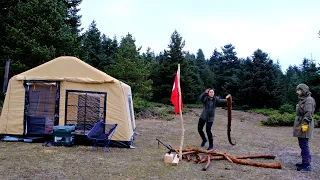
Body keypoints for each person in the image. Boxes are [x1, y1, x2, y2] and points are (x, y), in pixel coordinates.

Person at [293, 83, 316, 172]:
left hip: (305, 124)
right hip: (301, 123)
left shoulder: (309, 100)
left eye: (298, 90)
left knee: (304, 144)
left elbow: (308, 113)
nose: (297, 92)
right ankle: (304, 162)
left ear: (303, 90)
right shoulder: (303, 99)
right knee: (302, 144)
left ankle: (307, 165)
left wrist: (305, 124)